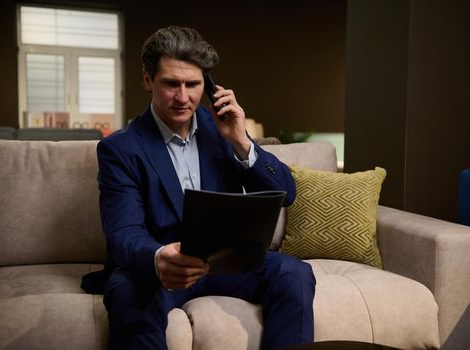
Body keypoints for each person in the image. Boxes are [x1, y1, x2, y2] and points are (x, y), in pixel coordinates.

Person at [89, 25, 316, 350]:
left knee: (294, 273)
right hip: (160, 266)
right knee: (125, 291)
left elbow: (286, 193)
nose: (183, 97)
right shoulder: (120, 149)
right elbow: (122, 232)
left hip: (227, 262)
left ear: (208, 86)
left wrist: (240, 140)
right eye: (170, 84)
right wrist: (158, 258)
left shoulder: (224, 130)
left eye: (193, 84)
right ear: (147, 79)